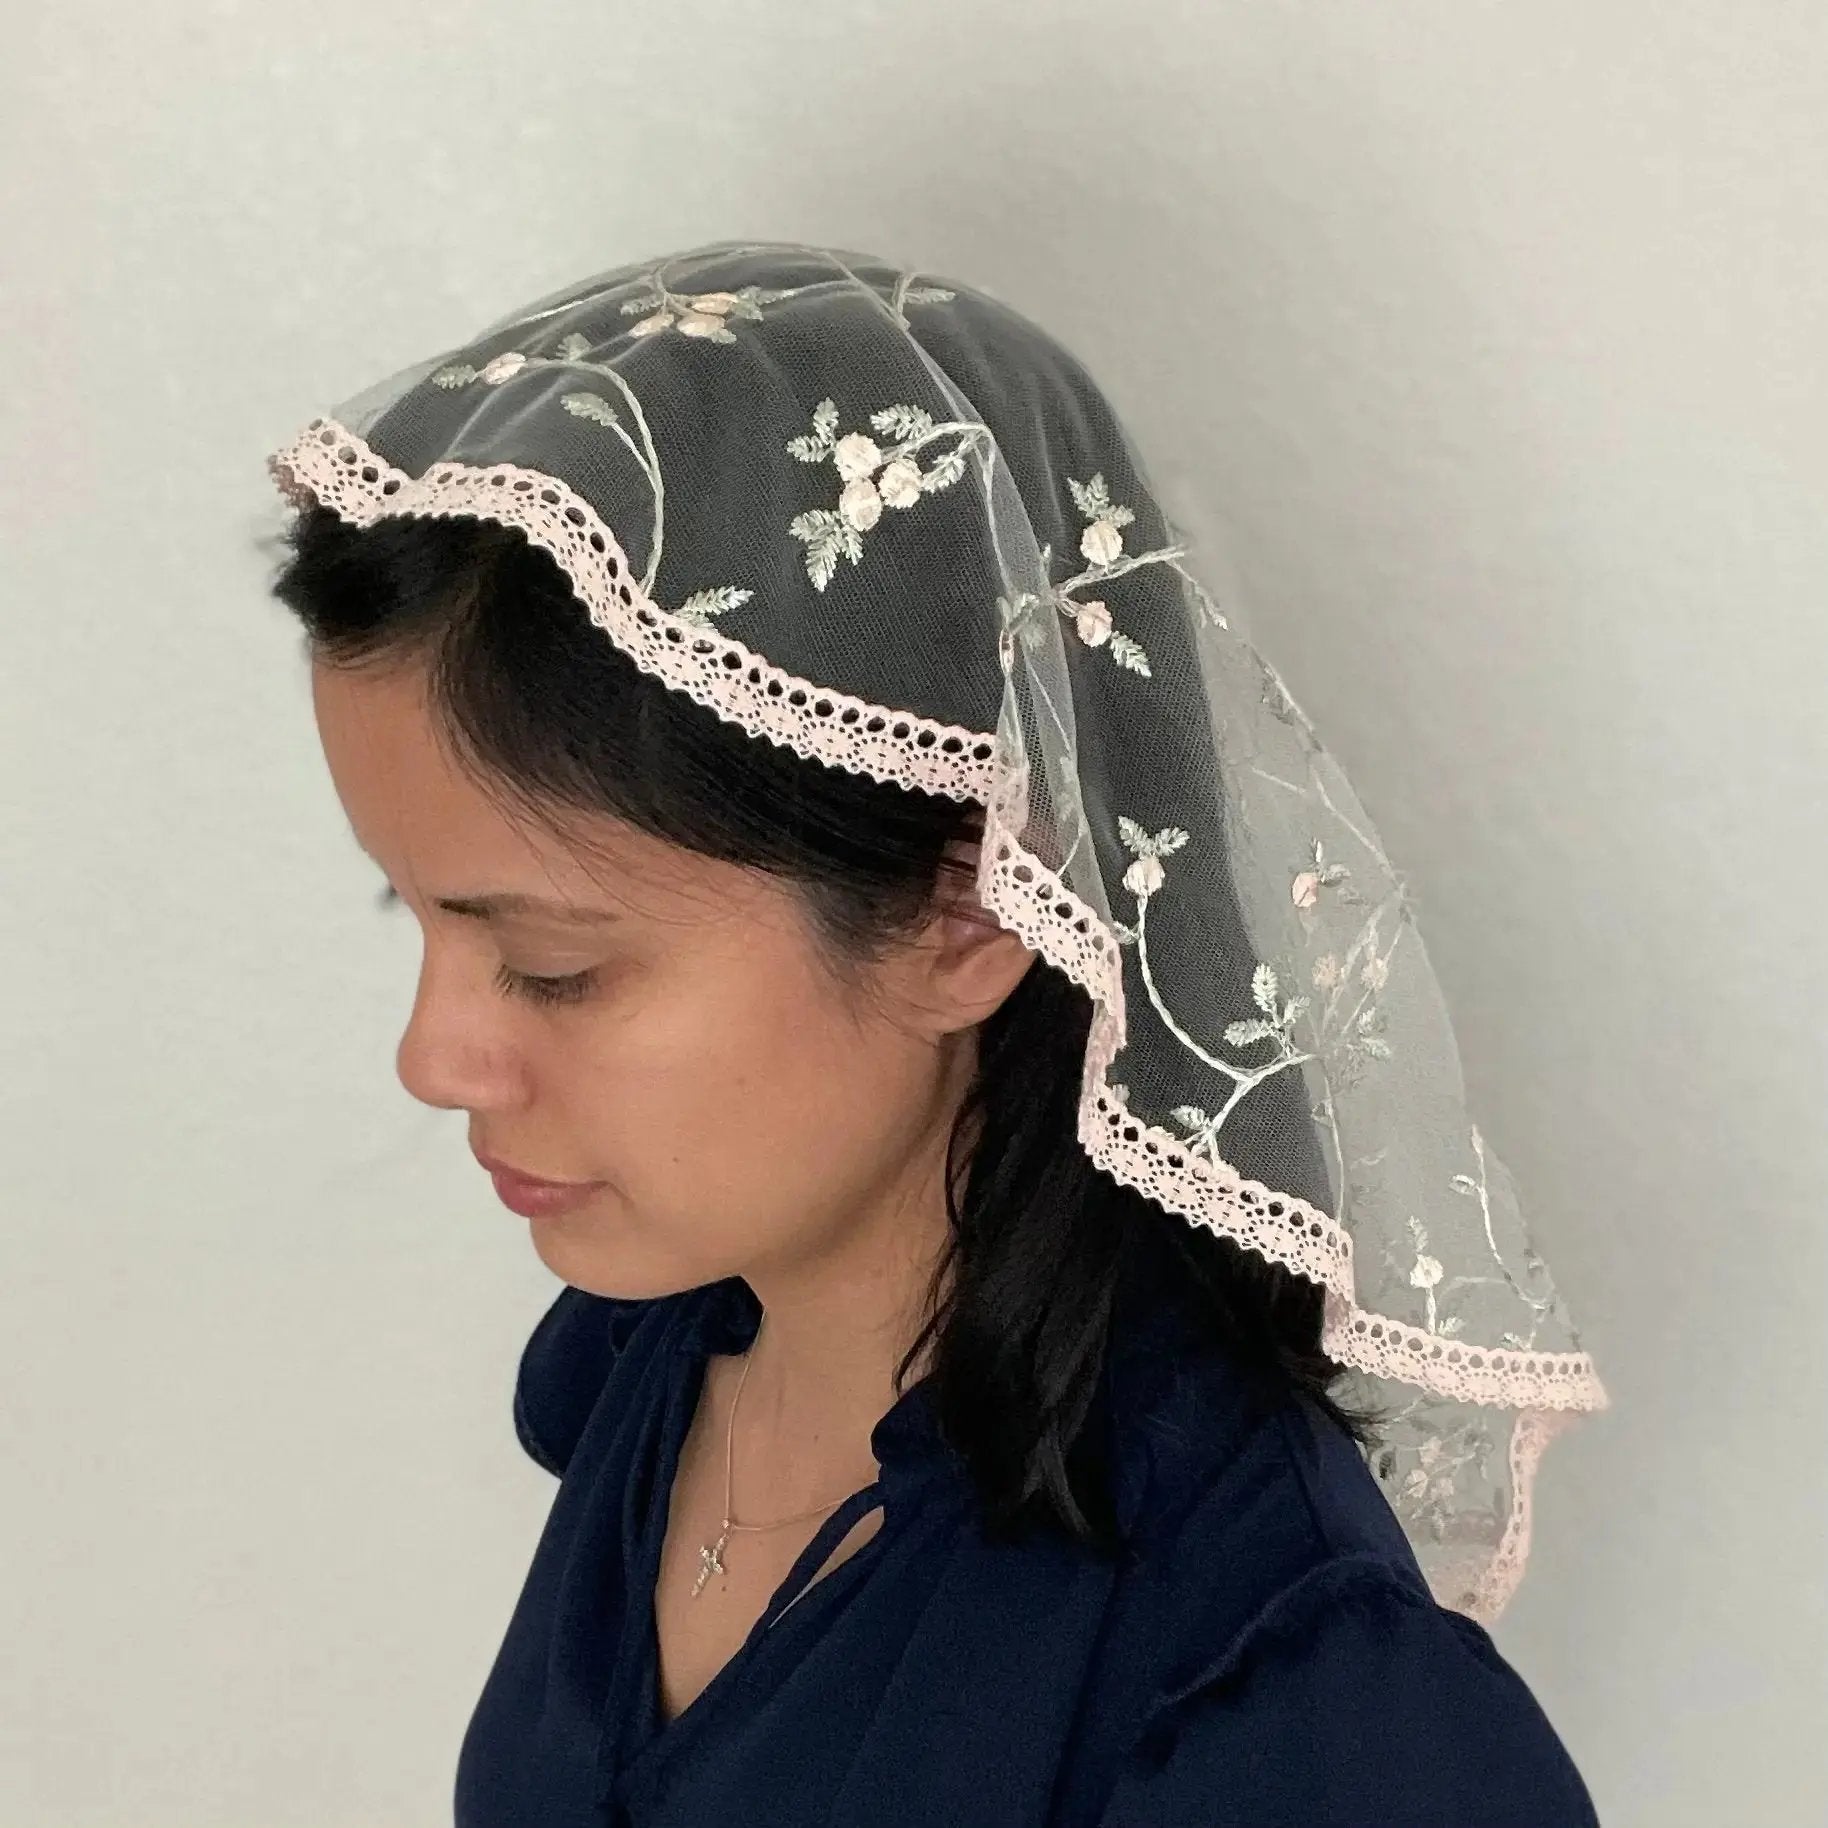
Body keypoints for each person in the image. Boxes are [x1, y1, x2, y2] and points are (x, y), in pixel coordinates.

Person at [265, 240, 1605, 1825]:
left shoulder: (1286, 1698)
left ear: (973, 913)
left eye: (554, 967)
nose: (433, 1059)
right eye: (409, 919)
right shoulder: (666, 1343)